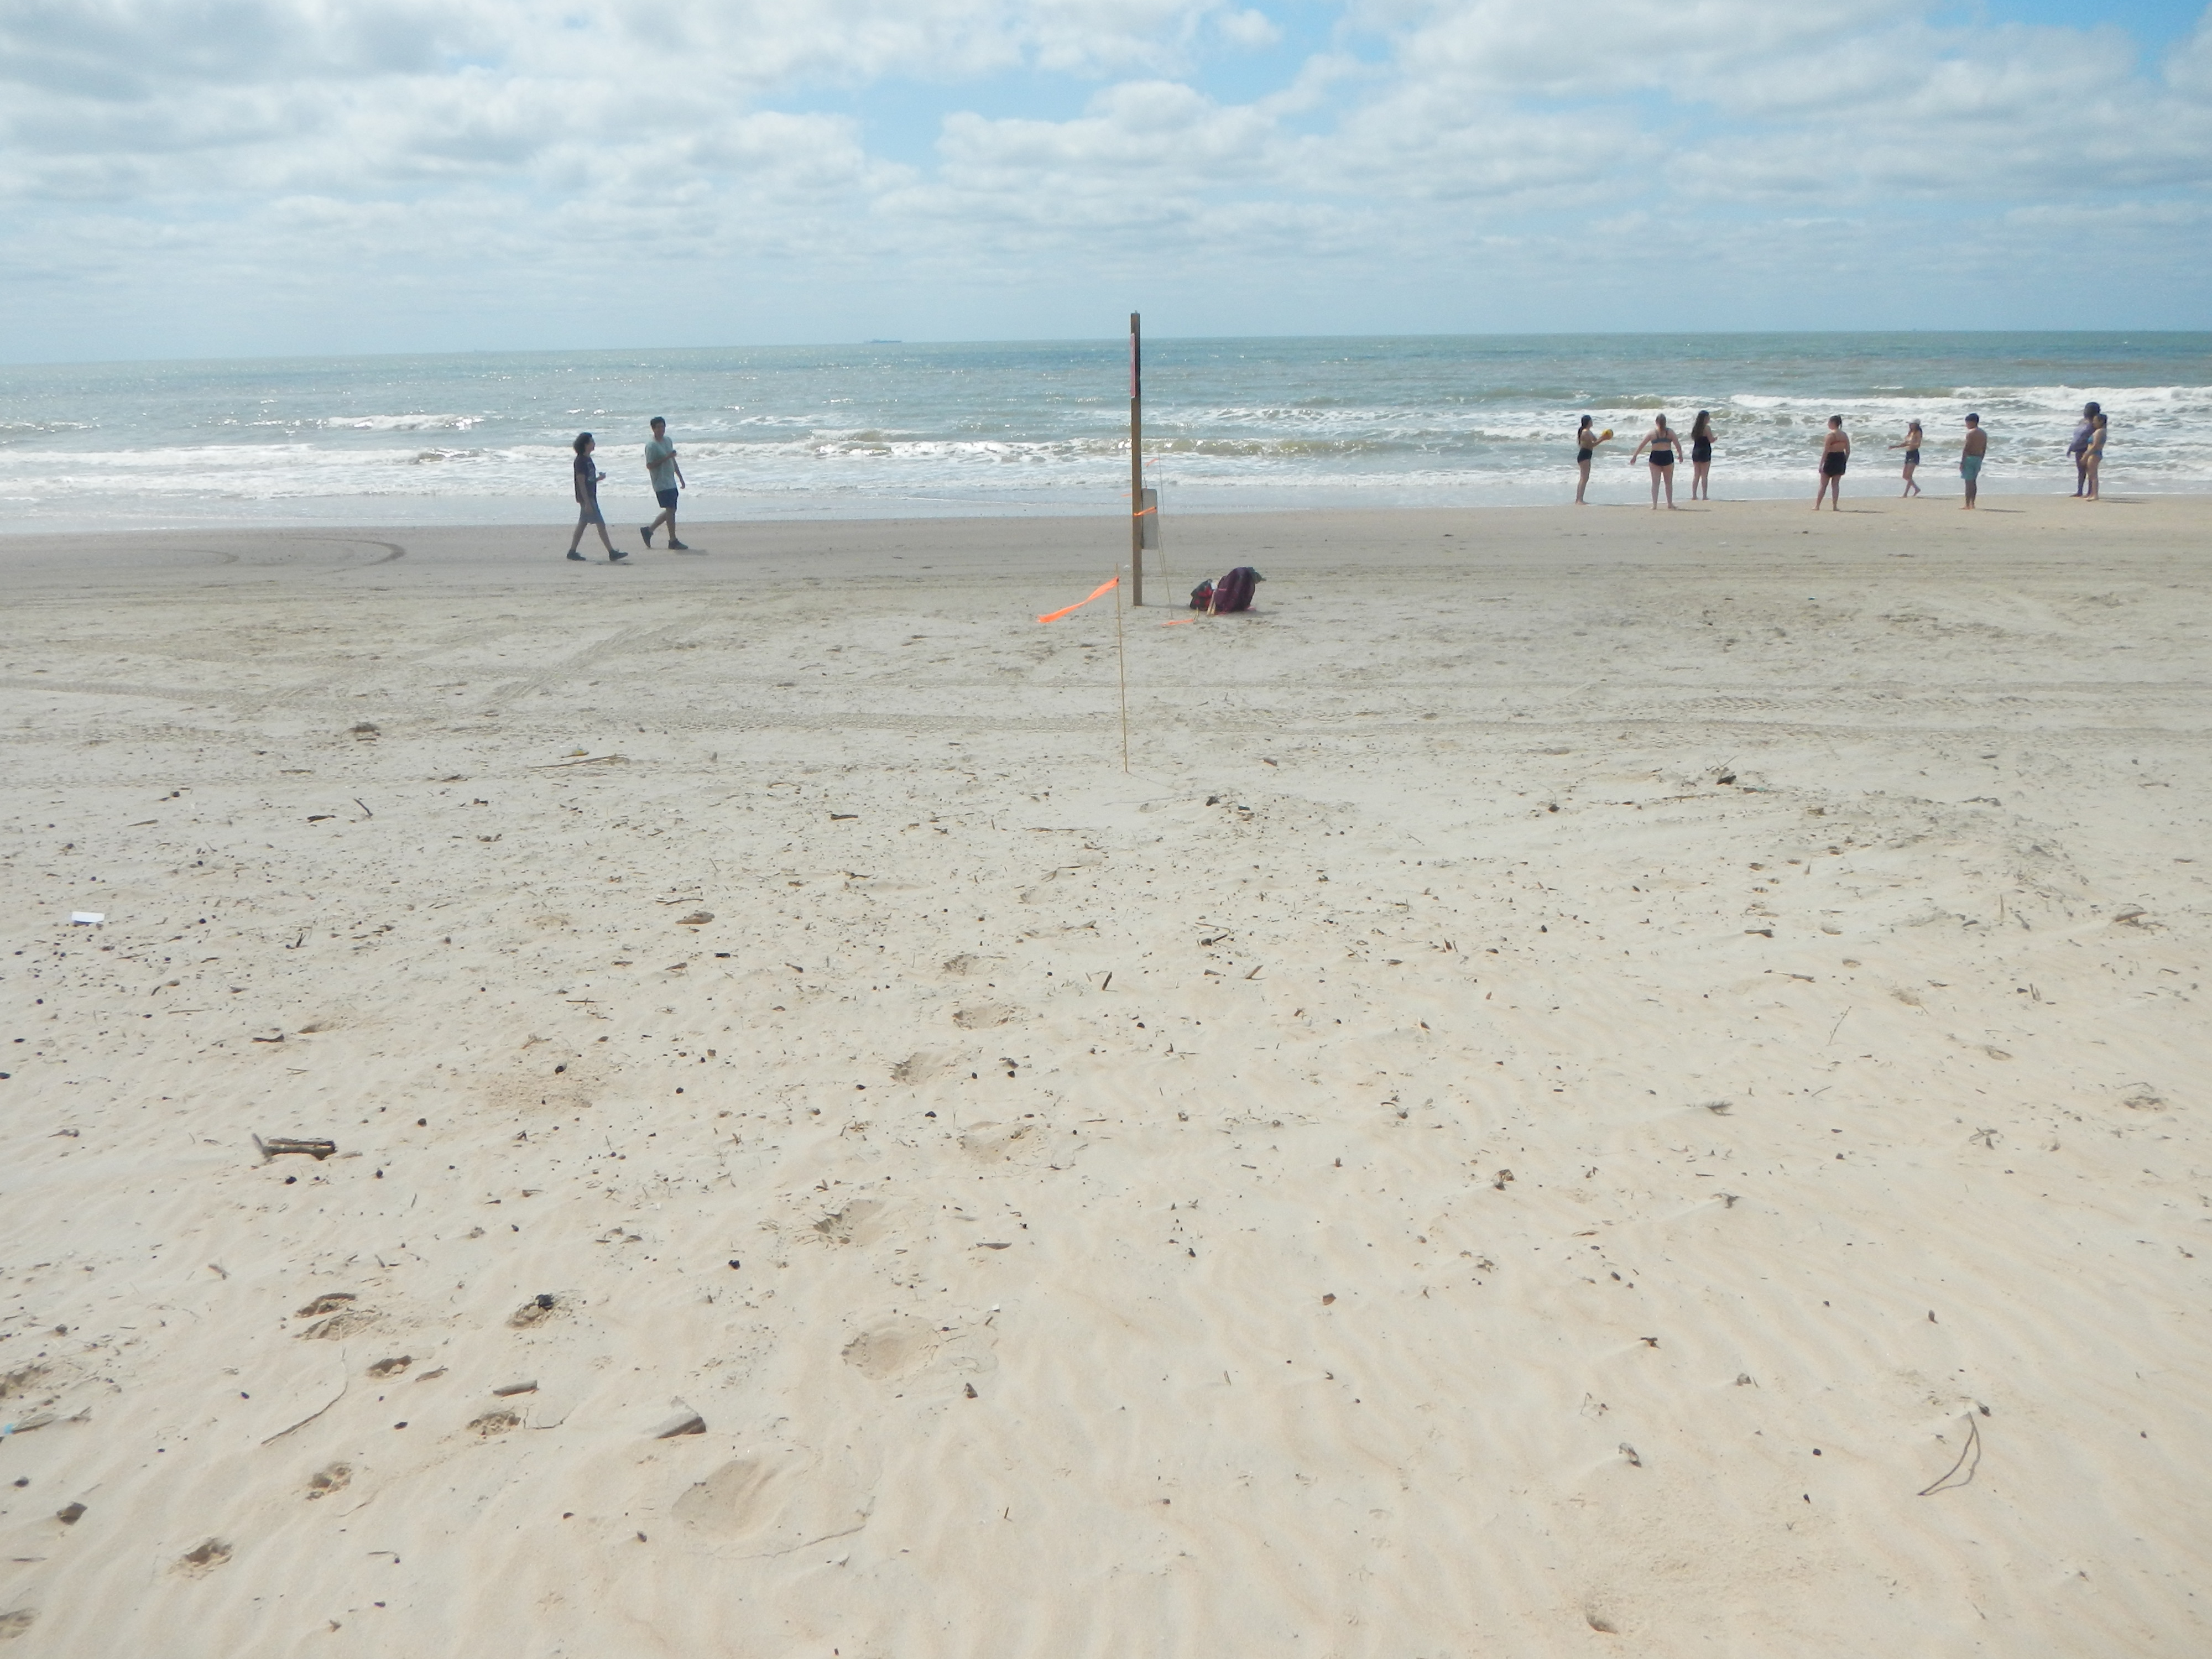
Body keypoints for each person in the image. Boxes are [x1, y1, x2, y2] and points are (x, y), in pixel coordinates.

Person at [566, 432, 624, 562]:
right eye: (592, 442)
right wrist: (586, 502)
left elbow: (589, 480)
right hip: (587, 497)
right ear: (586, 444)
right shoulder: (581, 460)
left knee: (582, 524)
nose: (594, 444)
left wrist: (599, 479)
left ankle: (572, 551)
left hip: (590, 496)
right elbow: (581, 481)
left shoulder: (588, 459)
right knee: (600, 524)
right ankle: (611, 552)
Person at [640, 417, 689, 550]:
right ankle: (672, 540)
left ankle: (649, 530)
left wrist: (680, 477)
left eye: (663, 427)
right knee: (670, 510)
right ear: (653, 429)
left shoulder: (668, 440)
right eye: (658, 427)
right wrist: (666, 457)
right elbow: (649, 465)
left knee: (671, 510)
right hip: (660, 482)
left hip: (670, 480)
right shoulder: (651, 445)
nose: (661, 430)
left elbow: (672, 461)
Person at [1628, 414, 1683, 509]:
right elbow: (1677, 445)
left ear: (1656, 422)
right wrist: (1680, 455)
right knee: (1668, 482)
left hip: (1655, 457)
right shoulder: (1670, 432)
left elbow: (1642, 445)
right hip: (1667, 456)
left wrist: (1635, 456)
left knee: (1655, 483)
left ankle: (1655, 505)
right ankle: (1669, 504)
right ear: (1666, 422)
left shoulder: (1652, 433)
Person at [1573, 415, 1614, 504]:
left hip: (1587, 455)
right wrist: (1603, 439)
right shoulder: (1585, 432)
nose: (1592, 422)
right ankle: (1579, 500)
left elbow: (1596, 440)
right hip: (1584, 455)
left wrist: (1604, 436)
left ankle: (1579, 499)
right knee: (1584, 478)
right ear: (1588, 422)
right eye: (1591, 421)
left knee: (1585, 478)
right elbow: (1592, 445)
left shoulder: (1589, 432)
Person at [1813, 415, 1849, 510]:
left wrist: (1821, 464)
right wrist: (1844, 461)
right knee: (1836, 484)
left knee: (1823, 484)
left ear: (1833, 423)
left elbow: (1826, 451)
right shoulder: (1844, 435)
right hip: (1841, 458)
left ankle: (1817, 506)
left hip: (1831, 458)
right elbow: (1848, 451)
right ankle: (1835, 506)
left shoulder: (1830, 436)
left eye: (1829, 422)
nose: (1828, 424)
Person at [2067, 401, 2101, 497]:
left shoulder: (2096, 424)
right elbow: (2077, 436)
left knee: (2091, 471)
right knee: (2081, 471)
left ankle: (2090, 492)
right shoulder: (2082, 422)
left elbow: (2098, 437)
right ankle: (2080, 491)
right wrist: (2071, 448)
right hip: (2079, 448)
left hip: (2089, 449)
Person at [1960, 413, 1987, 509]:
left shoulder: (1971, 433)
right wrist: (1981, 459)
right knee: (1974, 482)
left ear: (1972, 422)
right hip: (1978, 458)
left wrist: (1962, 462)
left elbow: (1966, 448)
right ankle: (1973, 503)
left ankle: (1967, 504)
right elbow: (1984, 448)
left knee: (1968, 483)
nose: (1967, 425)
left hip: (1970, 458)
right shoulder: (1983, 433)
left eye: (1967, 423)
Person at [1890, 420, 1923, 497]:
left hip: (1914, 454)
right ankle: (1916, 489)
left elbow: (1918, 444)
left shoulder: (1918, 433)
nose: (1910, 425)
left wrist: (1911, 444)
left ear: (1916, 425)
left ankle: (1905, 494)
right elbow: (1905, 444)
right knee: (1905, 476)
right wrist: (1895, 447)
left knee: (1909, 475)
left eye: (1912, 424)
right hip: (1908, 454)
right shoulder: (1910, 433)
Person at [1688, 410, 1715, 500]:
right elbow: (1711, 440)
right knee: (1704, 475)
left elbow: (1693, 438)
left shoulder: (1696, 428)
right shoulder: (1706, 428)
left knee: (1696, 475)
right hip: (1704, 451)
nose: (1709, 419)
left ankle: (1694, 495)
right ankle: (1704, 496)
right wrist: (1715, 438)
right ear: (1704, 419)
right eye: (1708, 418)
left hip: (1696, 451)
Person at [2083, 412, 2106, 500]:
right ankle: (2092, 494)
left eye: (2095, 421)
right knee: (2092, 475)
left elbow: (2095, 445)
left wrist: (2086, 455)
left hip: (2094, 454)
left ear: (2101, 422)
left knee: (2093, 475)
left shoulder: (2099, 432)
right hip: (2095, 454)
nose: (2093, 423)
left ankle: (2095, 495)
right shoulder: (2102, 431)